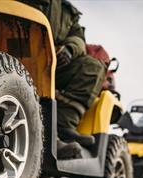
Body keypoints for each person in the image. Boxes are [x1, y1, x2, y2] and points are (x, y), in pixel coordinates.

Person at [22, 0, 106, 159]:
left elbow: (78, 37)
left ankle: (62, 127)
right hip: (12, 48)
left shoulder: (67, 11)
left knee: (92, 67)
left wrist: (69, 49)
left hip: (51, 61)